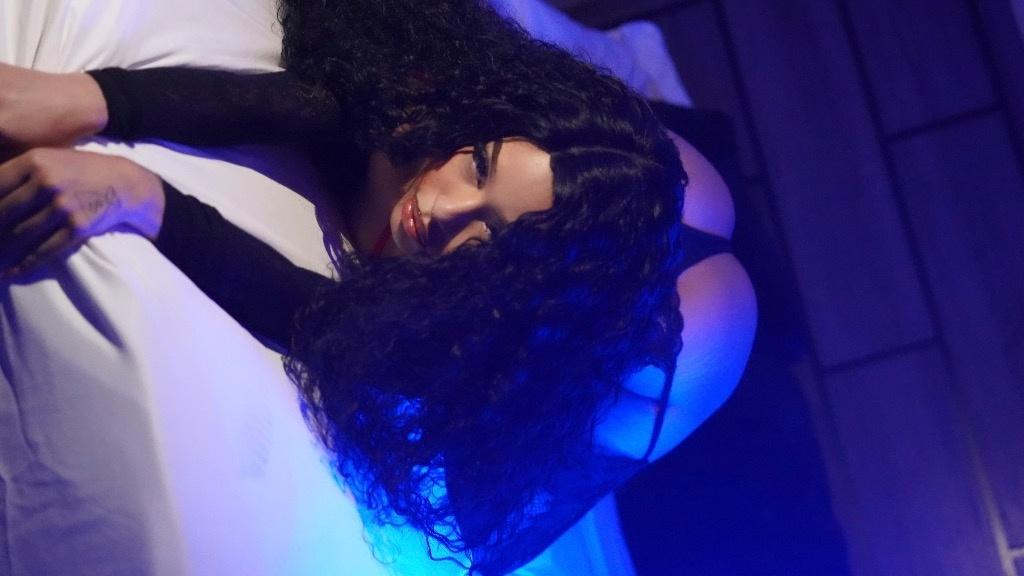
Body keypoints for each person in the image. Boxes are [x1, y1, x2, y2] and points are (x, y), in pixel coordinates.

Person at [0, 0, 757, 573]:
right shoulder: (519, 132)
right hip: (638, 188)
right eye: (478, 165)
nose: (440, 207)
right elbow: (328, 104)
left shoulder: (586, 347)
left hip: (657, 351)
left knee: (489, 513)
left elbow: (338, 332)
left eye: (487, 236)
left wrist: (145, 198)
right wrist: (96, 99)